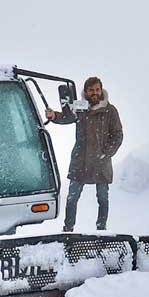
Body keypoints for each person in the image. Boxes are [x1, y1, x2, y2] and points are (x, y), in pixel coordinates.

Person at [45, 76, 123, 231]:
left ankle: (101, 230)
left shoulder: (110, 110)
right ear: (86, 92)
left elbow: (118, 135)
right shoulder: (80, 106)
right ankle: (68, 229)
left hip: (102, 163)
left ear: (101, 90)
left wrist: (106, 153)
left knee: (103, 198)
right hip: (80, 160)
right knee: (72, 198)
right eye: (91, 90)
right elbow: (67, 116)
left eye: (97, 89)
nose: (94, 93)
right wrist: (53, 115)